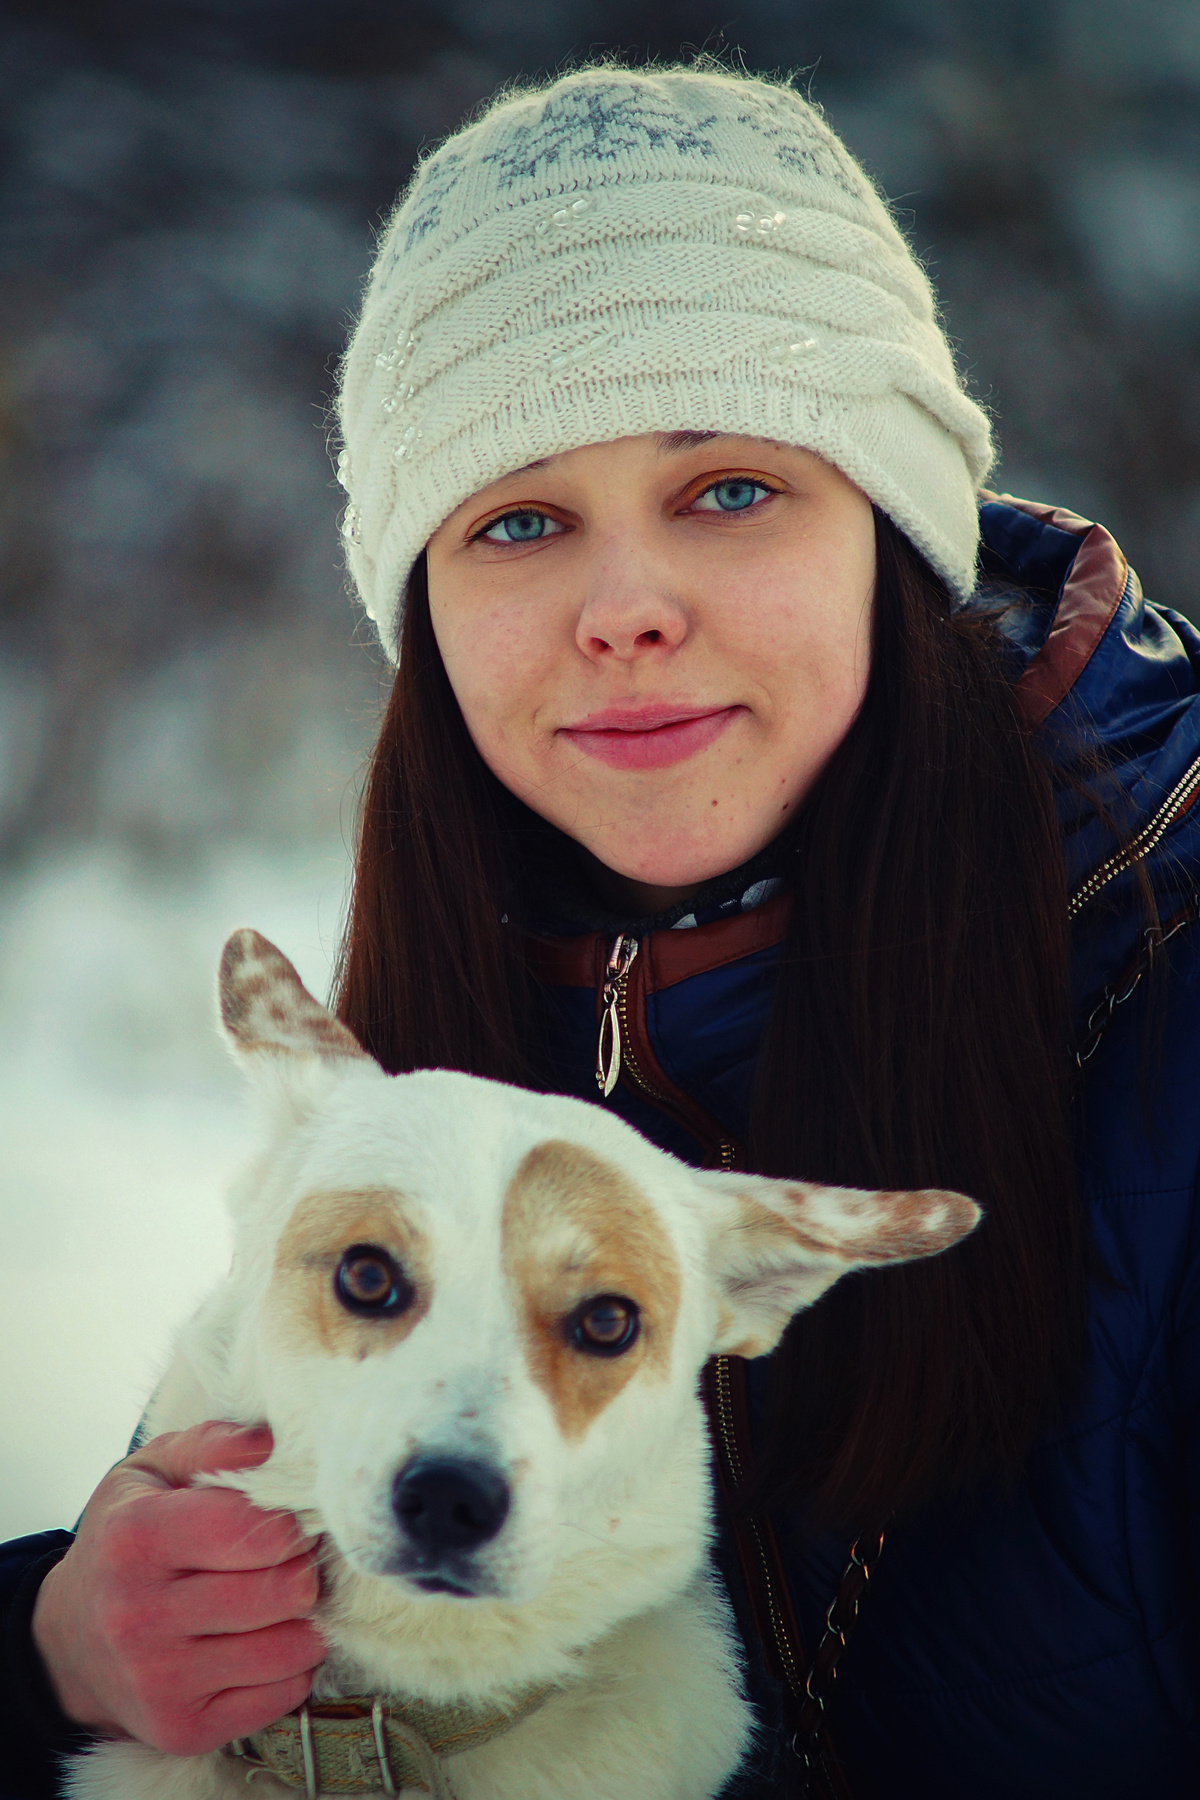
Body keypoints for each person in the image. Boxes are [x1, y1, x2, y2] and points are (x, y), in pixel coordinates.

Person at [4, 62, 1199, 1800]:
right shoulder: (435, 1020)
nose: (627, 609)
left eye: (730, 487)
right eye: (520, 520)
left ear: (895, 529)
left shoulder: (1165, 995)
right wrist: (50, 1651)